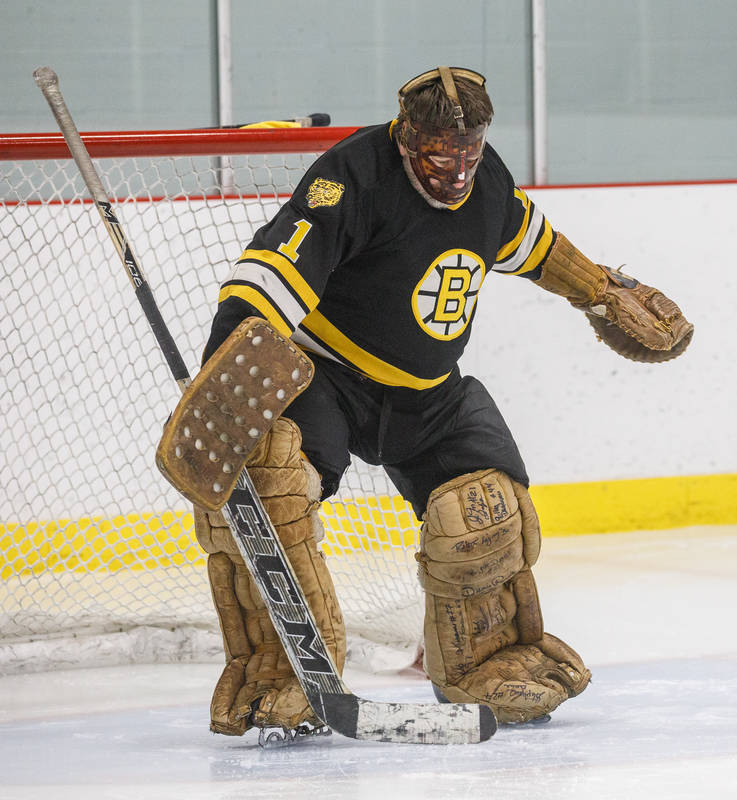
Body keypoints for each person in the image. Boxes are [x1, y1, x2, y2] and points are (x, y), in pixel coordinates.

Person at [185, 66, 693, 737]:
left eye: (468, 153)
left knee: (484, 511)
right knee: (270, 483)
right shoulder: (352, 175)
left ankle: (480, 662)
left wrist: (599, 290)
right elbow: (271, 272)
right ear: (404, 137)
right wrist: (225, 367)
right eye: (436, 154)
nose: (454, 170)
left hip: (428, 393)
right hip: (327, 377)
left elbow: (536, 247)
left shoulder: (487, 183)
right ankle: (285, 671)